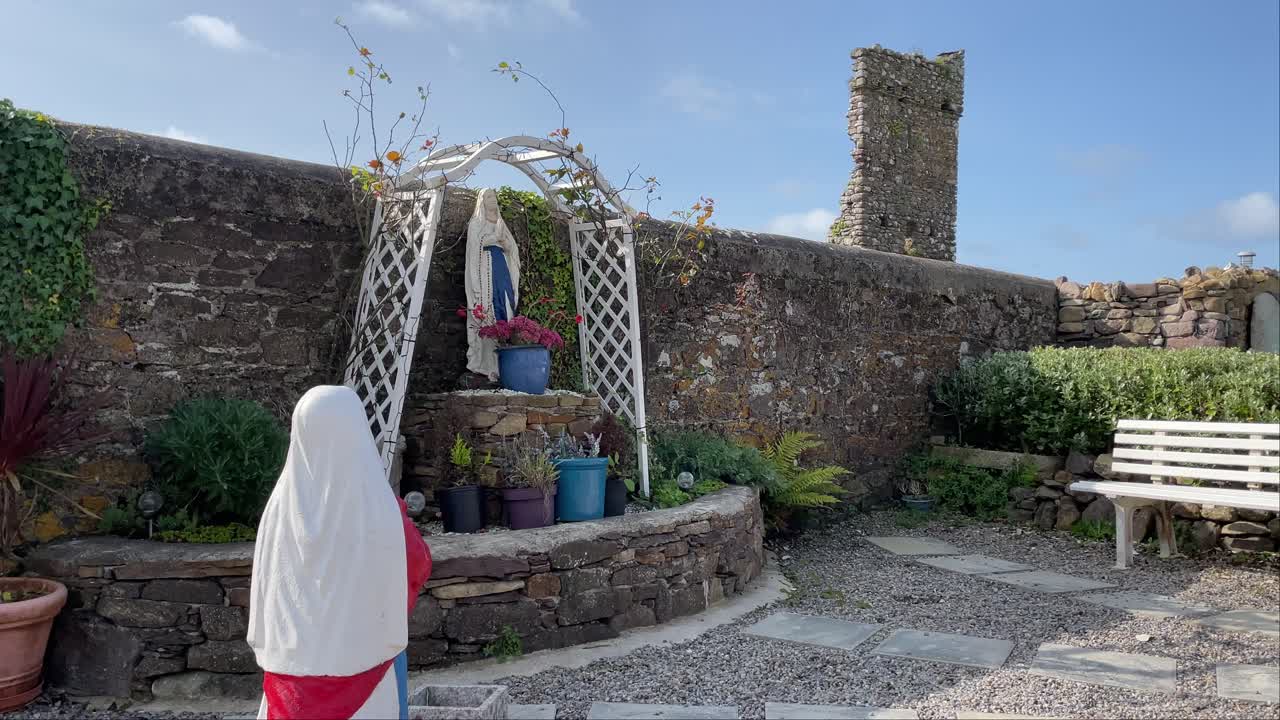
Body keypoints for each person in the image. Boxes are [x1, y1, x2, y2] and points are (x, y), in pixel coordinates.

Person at [248, 385, 431, 720]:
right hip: (368, 672)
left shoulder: (278, 508)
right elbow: (416, 566)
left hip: (289, 681)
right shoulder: (379, 508)